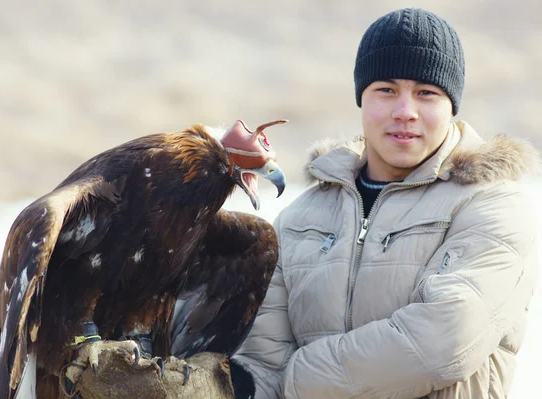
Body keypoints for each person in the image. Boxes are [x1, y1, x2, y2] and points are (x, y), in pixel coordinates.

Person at [230, 7, 540, 399]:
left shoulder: (493, 204)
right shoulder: (298, 218)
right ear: (362, 98)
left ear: (451, 105)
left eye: (426, 93)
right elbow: (263, 362)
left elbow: (441, 342)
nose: (405, 111)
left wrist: (296, 379)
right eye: (386, 90)